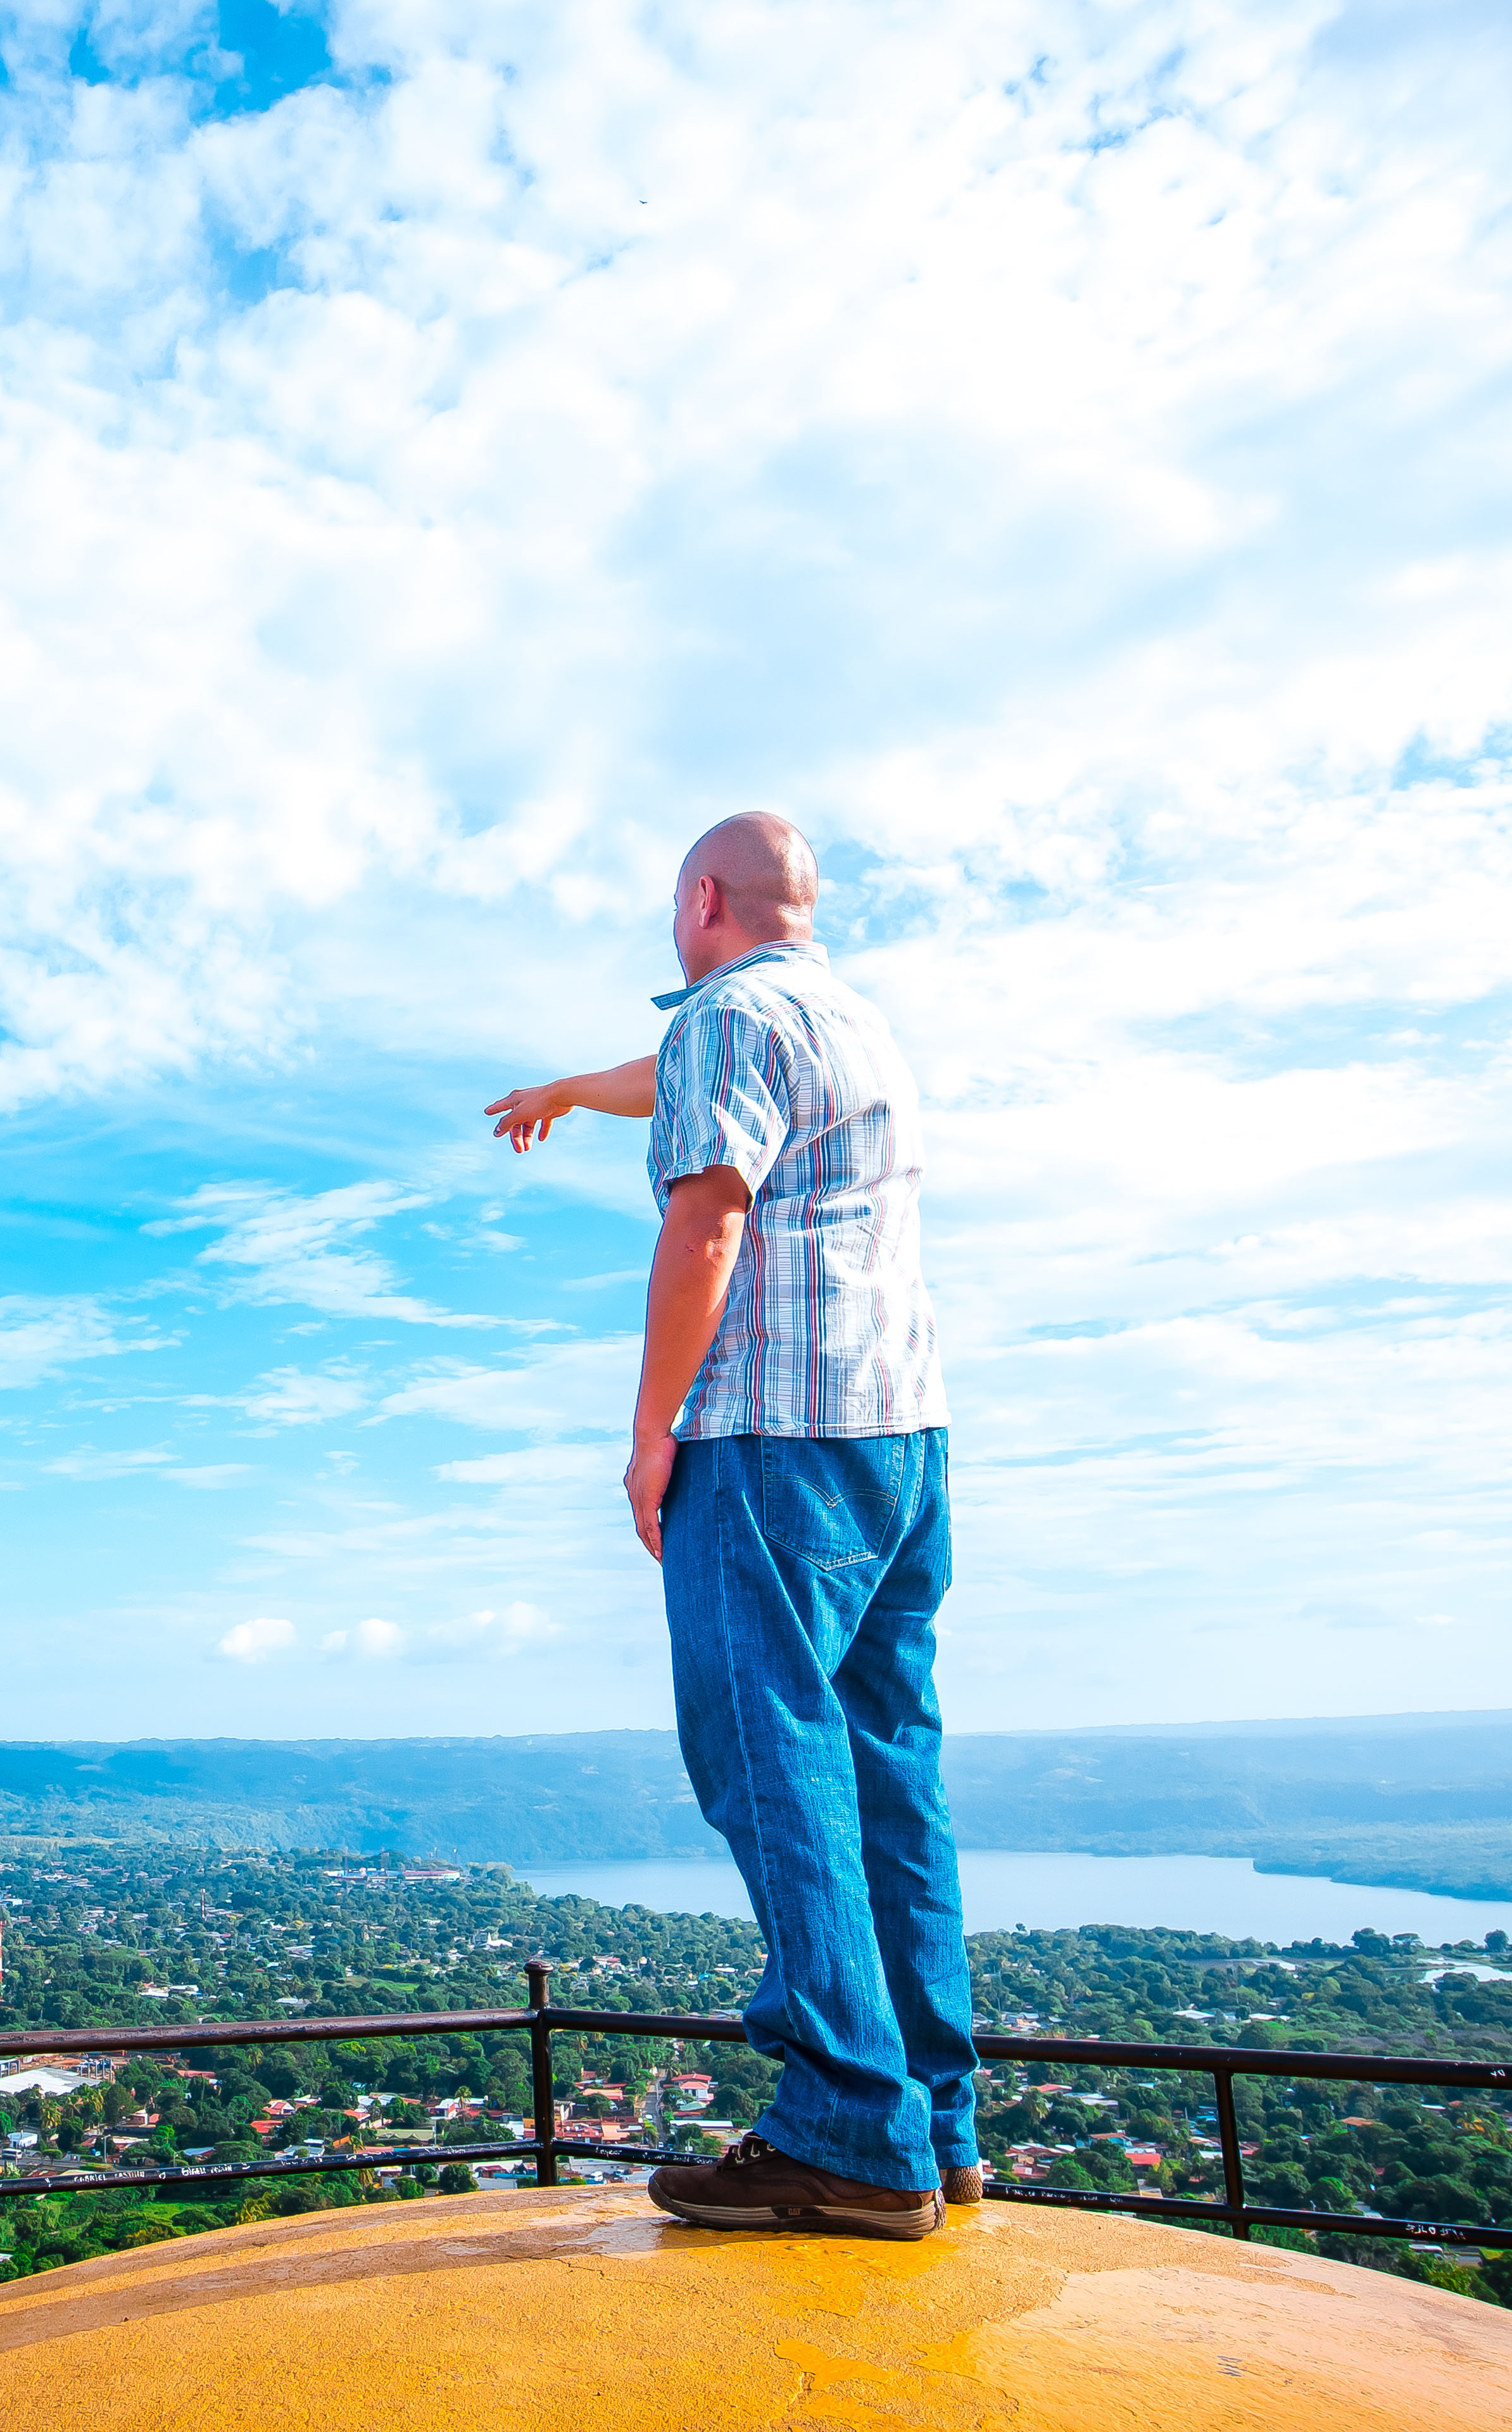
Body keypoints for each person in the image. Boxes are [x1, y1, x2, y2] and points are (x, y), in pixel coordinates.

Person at [485, 811, 976, 2240]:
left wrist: (651, 1437)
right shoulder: (853, 1025)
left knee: (772, 1762)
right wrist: (571, 1089)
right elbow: (675, 1081)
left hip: (770, 1435)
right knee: (889, 1771)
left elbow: (704, 1220)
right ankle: (934, 2126)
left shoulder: (724, 1015)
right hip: (903, 1438)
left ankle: (846, 2134)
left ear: (701, 897)